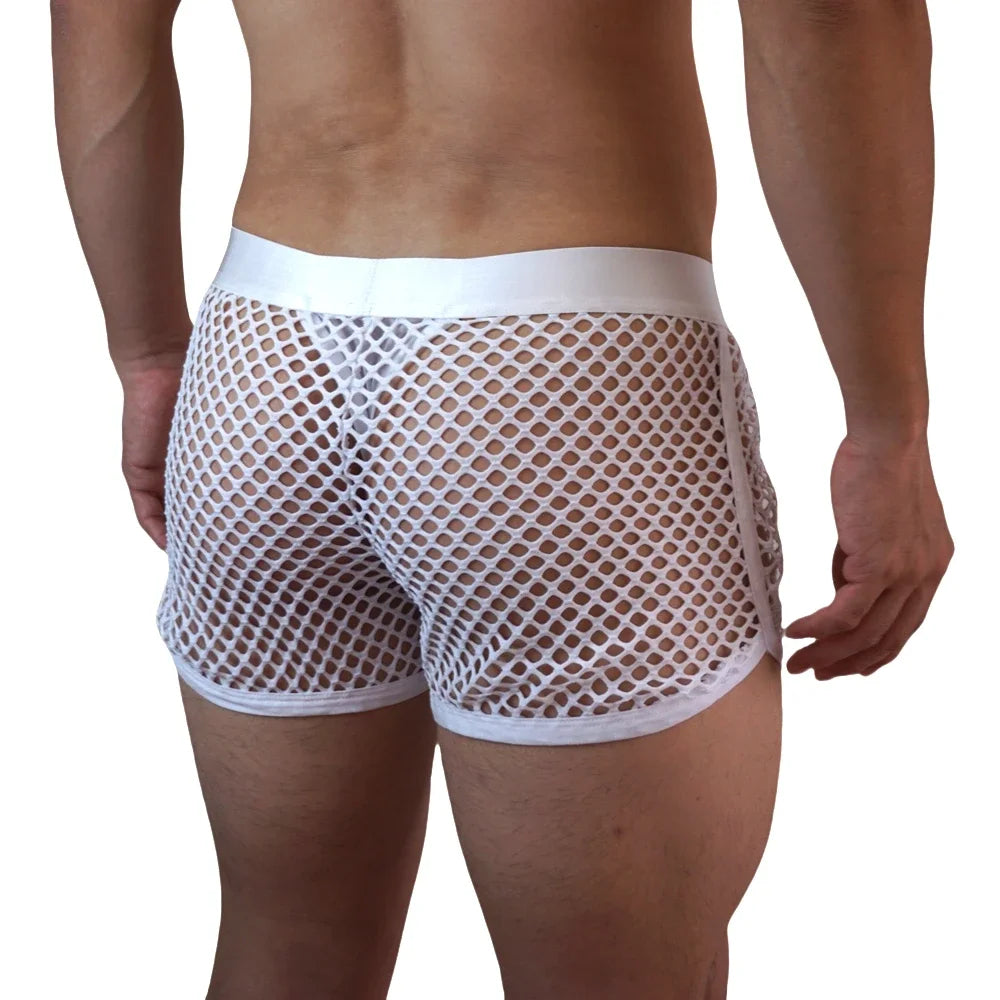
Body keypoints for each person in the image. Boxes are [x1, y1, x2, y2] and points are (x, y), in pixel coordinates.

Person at [51, 0, 953, 996]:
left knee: (289, 938)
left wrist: (146, 352)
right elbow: (828, 18)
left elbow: (94, 20)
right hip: (560, 372)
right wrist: (887, 425)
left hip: (266, 364)